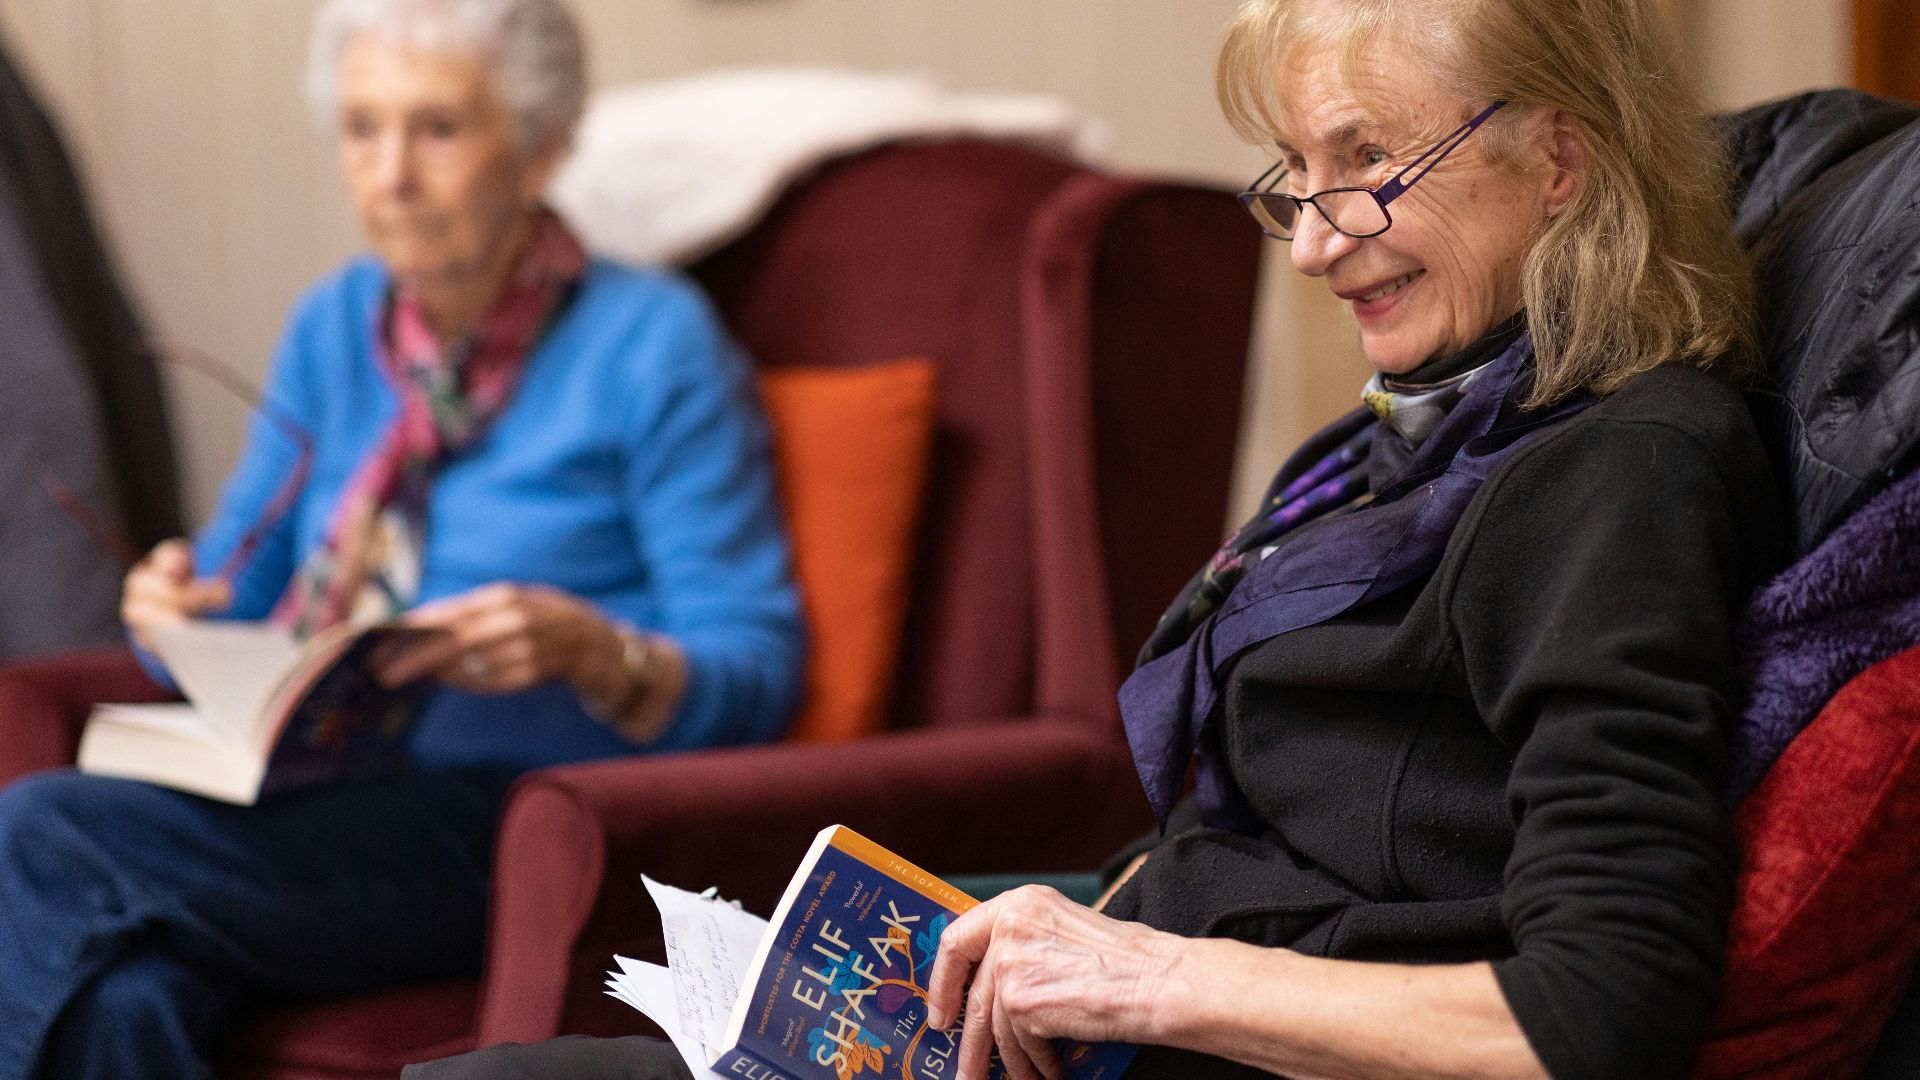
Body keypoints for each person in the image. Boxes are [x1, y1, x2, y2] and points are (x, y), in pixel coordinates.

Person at [408, 0, 1783, 1077]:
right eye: (1297, 176)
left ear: (1558, 156)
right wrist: (1064, 926)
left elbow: (1597, 1015)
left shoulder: (1621, 470)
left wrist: (1143, 976)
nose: (1309, 244)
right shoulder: (1439, 420)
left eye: (1367, 164)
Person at [0, 0, 803, 1077]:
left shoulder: (653, 345)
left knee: (44, 831)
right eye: (361, 128)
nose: (390, 175)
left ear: (541, 145)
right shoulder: (337, 326)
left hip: (521, 825)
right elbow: (239, 590)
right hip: (316, 799)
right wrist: (167, 607)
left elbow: (757, 669)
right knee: (129, 998)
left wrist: (592, 651)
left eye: (437, 130)